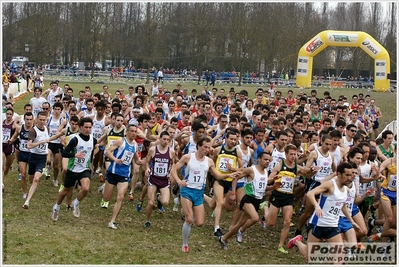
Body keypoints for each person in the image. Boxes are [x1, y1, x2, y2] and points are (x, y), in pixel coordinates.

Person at [170, 137, 240, 252]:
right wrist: (178, 181)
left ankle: (195, 202)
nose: (207, 149)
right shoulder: (188, 157)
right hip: (187, 190)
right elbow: (174, 169)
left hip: (199, 193)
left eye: (209, 147)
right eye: (205, 147)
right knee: (189, 219)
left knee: (200, 223)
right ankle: (185, 244)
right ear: (198, 146)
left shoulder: (209, 161)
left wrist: (229, 175)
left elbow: (217, 176)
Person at [288, 162, 360, 263]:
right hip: (318, 223)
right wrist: (317, 206)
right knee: (308, 256)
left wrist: (351, 221)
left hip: (333, 225)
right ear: (339, 174)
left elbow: (343, 205)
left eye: (351, 175)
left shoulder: (346, 190)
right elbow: (310, 193)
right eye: (347, 175)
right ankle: (297, 242)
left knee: (339, 256)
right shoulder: (330, 185)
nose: (349, 177)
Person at [218, 152, 280, 250]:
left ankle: (224, 238)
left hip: (257, 200)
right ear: (259, 159)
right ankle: (241, 231)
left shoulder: (266, 172)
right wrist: (233, 193)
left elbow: (263, 188)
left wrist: (273, 186)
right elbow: (236, 177)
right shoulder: (251, 170)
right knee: (255, 218)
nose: (267, 162)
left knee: (240, 223)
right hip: (248, 199)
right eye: (265, 159)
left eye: (269, 160)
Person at [51, 117, 97, 220]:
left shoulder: (93, 140)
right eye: (86, 127)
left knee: (85, 188)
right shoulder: (75, 139)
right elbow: (64, 152)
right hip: (73, 168)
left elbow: (91, 152)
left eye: (90, 127)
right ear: (80, 127)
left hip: (84, 169)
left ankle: (76, 203)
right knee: (65, 191)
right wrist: (75, 155)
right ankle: (56, 207)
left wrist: (90, 163)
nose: (88, 129)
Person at [266, 144, 307, 253]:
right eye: (291, 154)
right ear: (286, 154)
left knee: (287, 221)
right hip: (277, 195)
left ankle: (281, 245)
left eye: (295, 154)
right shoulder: (280, 165)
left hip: (288, 196)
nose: (293, 156)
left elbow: (307, 173)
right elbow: (269, 179)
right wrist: (273, 178)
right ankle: (266, 208)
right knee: (270, 223)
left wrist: (313, 169)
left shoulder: (296, 167)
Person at [101, 124, 142, 229]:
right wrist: (115, 160)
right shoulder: (120, 141)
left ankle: (112, 221)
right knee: (106, 198)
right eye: (131, 131)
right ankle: (102, 189)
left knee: (120, 197)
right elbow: (108, 152)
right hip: (113, 171)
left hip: (124, 174)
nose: (134, 133)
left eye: (135, 131)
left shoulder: (135, 145)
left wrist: (145, 161)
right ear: (127, 132)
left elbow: (136, 159)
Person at [204, 131, 243, 237]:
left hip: (230, 181)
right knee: (220, 203)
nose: (233, 141)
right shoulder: (218, 150)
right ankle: (216, 228)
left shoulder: (237, 152)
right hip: (219, 179)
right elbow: (212, 162)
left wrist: (232, 169)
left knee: (213, 205)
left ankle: (201, 194)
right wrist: (214, 174)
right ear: (226, 138)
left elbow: (241, 169)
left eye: (235, 139)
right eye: (231, 139)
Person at [143, 131, 176, 228]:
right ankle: (147, 220)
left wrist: (171, 173)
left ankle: (159, 197)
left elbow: (173, 164)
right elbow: (147, 161)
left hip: (164, 181)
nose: (166, 141)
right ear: (160, 139)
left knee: (165, 202)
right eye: (164, 139)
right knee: (150, 203)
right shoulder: (153, 150)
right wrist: (147, 168)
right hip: (153, 178)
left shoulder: (171, 152)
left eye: (168, 140)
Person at [23, 112, 50, 209]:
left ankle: (27, 201)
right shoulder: (33, 131)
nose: (42, 122)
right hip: (33, 156)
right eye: (40, 120)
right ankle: (30, 190)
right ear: (37, 119)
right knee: (31, 179)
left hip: (42, 158)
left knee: (36, 179)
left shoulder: (47, 128)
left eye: (44, 120)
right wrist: (40, 142)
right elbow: (29, 146)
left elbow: (48, 141)